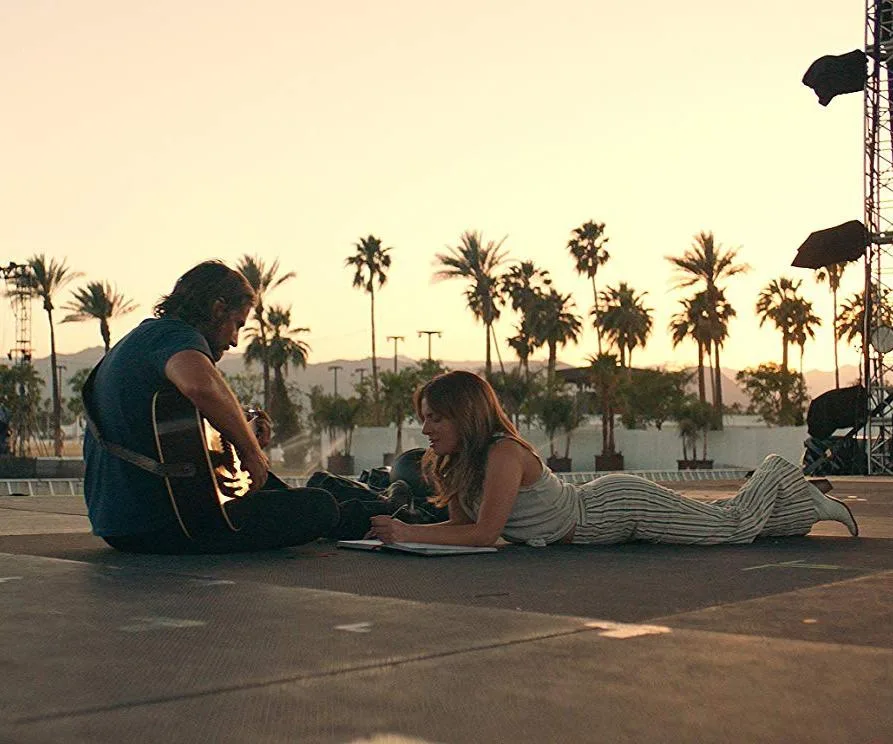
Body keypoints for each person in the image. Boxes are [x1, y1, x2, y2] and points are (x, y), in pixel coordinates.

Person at [368, 370, 859, 547]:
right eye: (425, 418)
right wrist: (398, 533)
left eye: (436, 418)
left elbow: (483, 534)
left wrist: (408, 531)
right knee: (736, 524)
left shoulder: (502, 454)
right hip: (593, 517)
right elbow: (460, 531)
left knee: (730, 525)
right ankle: (806, 504)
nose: (426, 429)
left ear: (465, 416)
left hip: (614, 509)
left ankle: (780, 470)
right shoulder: (458, 464)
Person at [82, 260, 339, 554]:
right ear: (218, 309)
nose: (234, 340)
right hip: (166, 523)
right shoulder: (175, 336)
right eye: (236, 324)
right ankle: (379, 510)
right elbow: (200, 386)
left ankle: (373, 508)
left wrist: (243, 426)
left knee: (287, 491)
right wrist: (250, 451)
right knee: (321, 506)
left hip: (123, 525)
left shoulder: (142, 340)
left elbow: (187, 423)